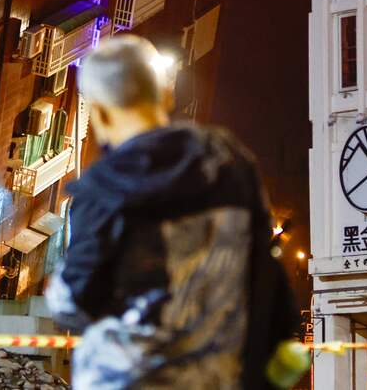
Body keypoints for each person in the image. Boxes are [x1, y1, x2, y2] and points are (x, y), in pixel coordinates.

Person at [45, 35, 301, 389]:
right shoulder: (230, 163)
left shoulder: (105, 188)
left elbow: (75, 299)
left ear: (100, 111)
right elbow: (272, 287)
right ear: (167, 95)